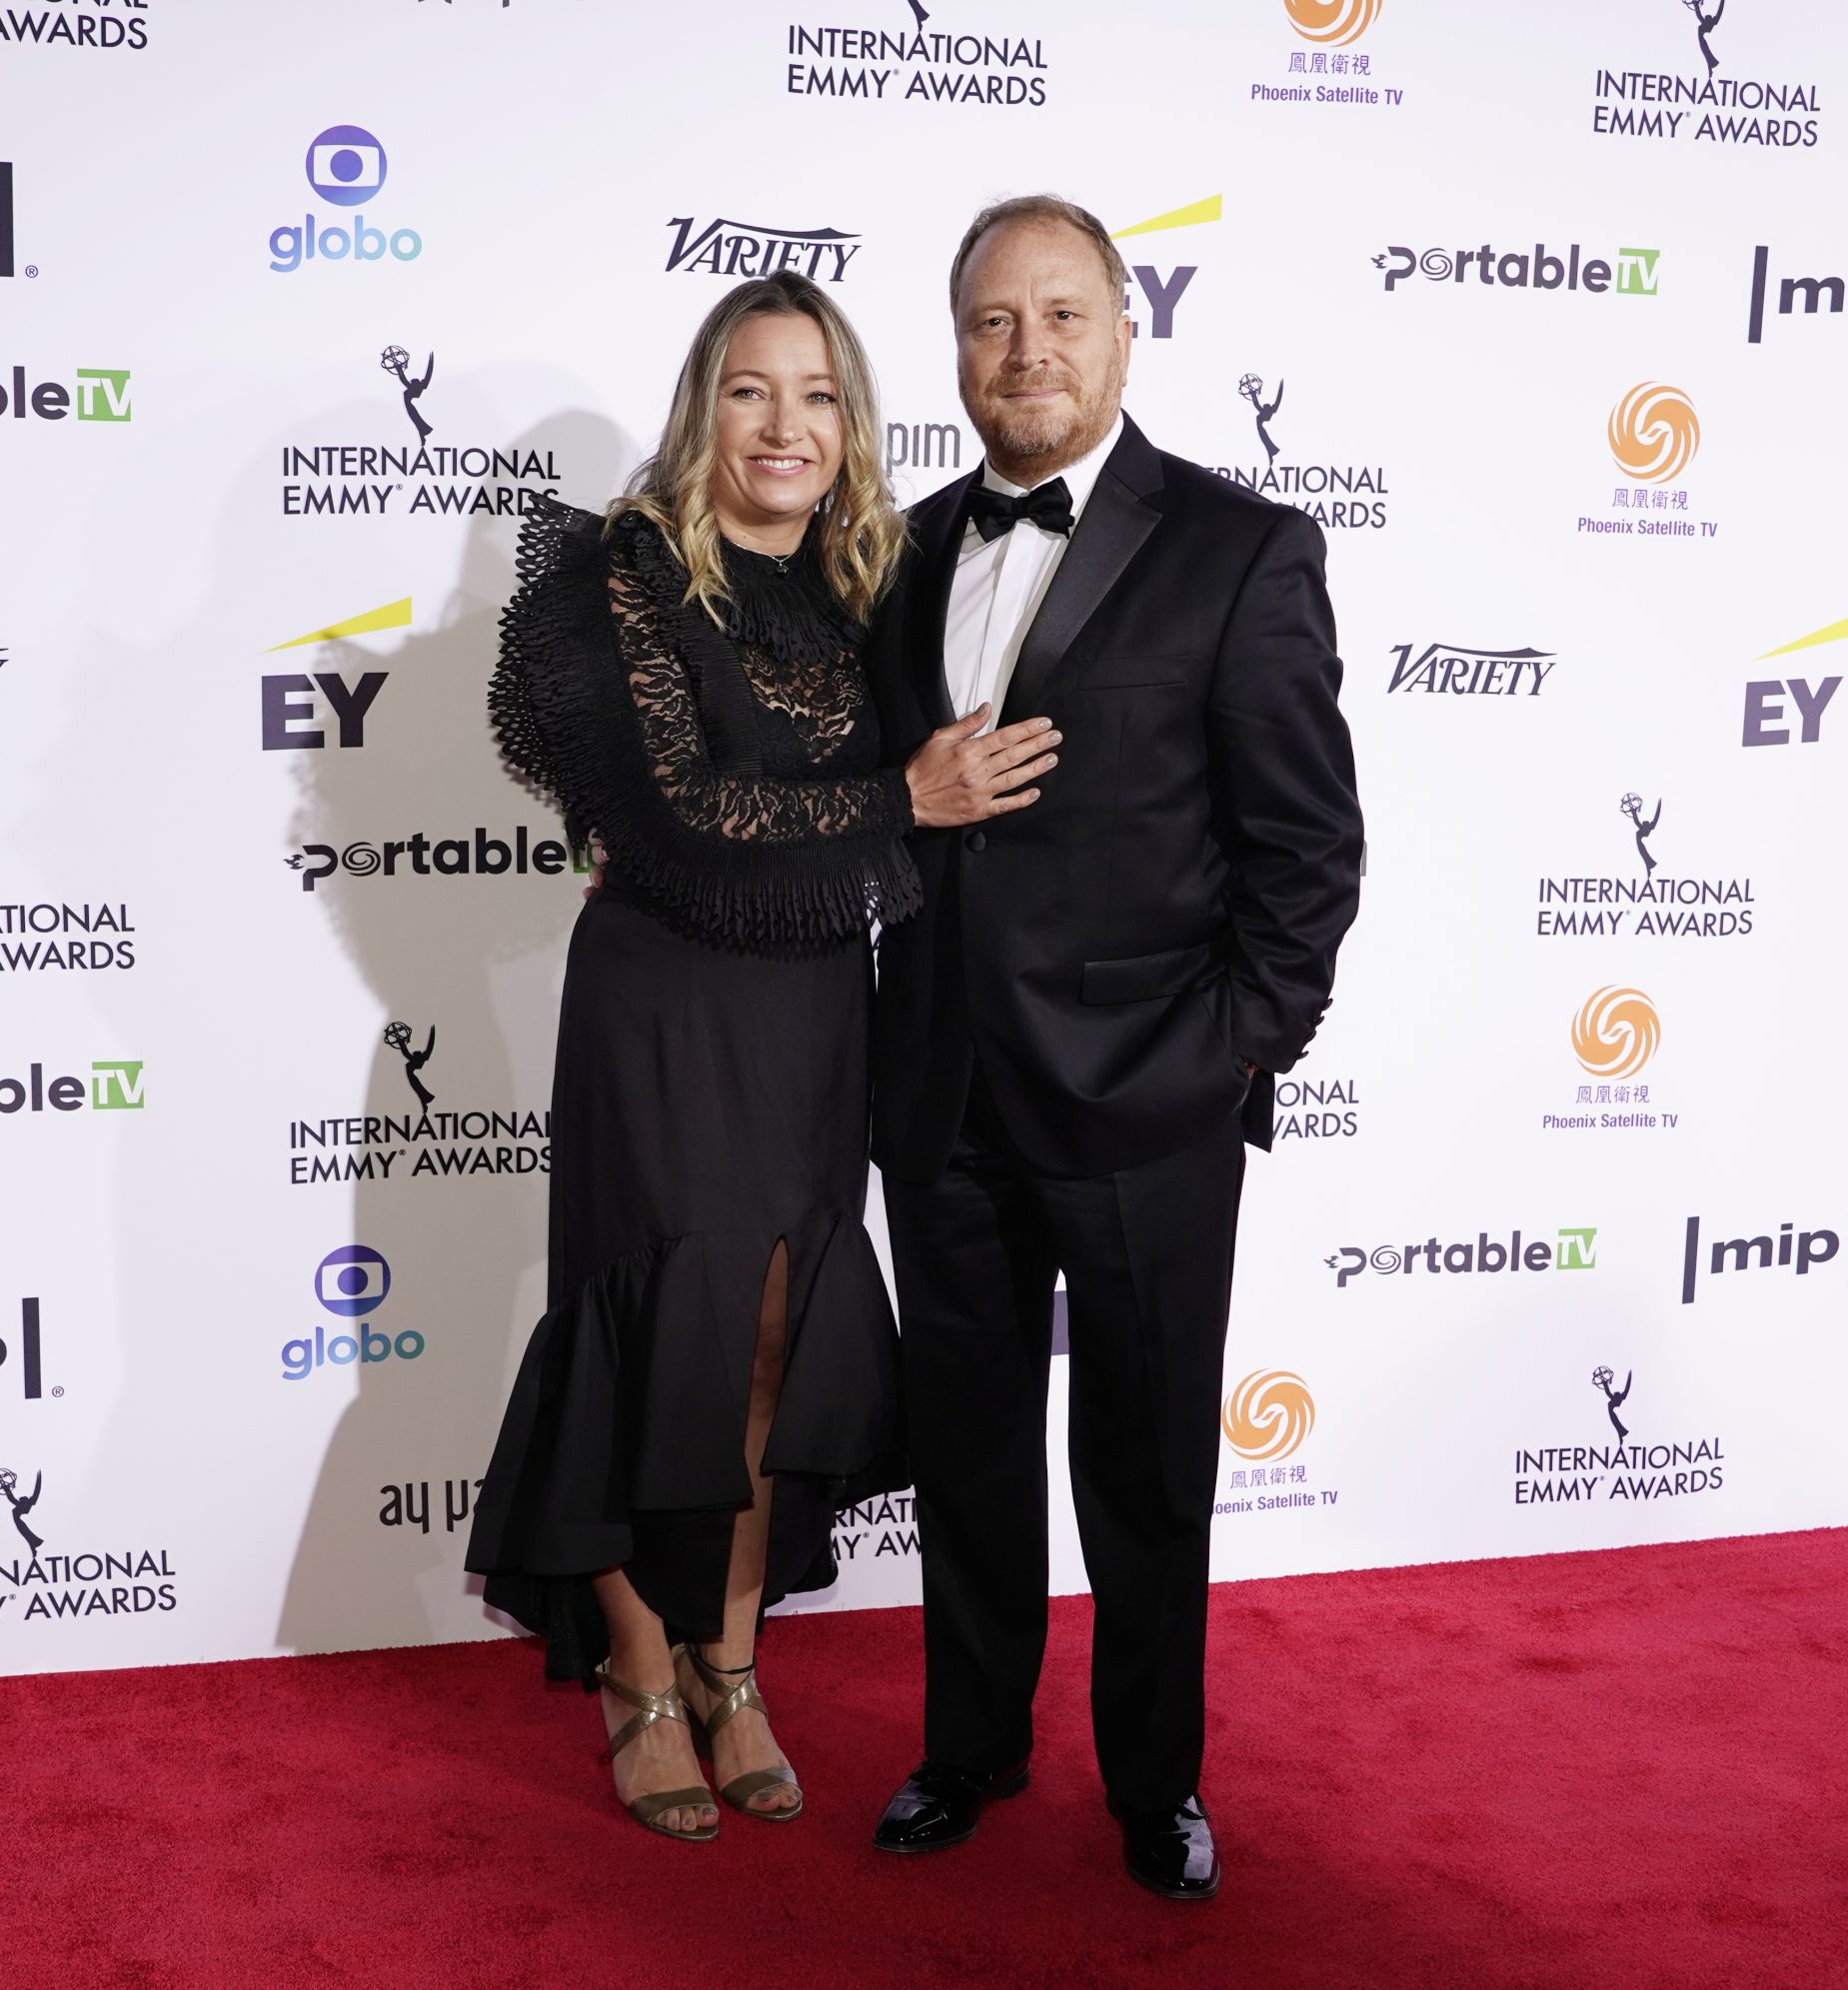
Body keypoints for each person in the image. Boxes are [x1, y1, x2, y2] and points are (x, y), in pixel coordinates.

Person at [464, 271, 1057, 1843]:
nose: (784, 426)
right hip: (663, 1007)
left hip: (812, 1009)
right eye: (749, 390)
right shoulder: (628, 575)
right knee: (664, 1326)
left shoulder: (874, 582)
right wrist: (895, 804)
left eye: (815, 396)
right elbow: (670, 815)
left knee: (775, 1341)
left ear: (851, 422)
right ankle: (637, 1675)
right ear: (702, 406)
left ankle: (732, 1661)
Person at [863, 196, 1365, 1900]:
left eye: (1063, 316)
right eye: (995, 321)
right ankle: (971, 1748)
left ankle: (1156, 1781)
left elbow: (1307, 848)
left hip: (1150, 1099)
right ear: (956, 348)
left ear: (1125, 332)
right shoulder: (902, 549)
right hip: (938, 1094)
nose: (1030, 352)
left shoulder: (1243, 546)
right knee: (972, 1457)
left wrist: (1233, 1052)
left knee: (1148, 1472)